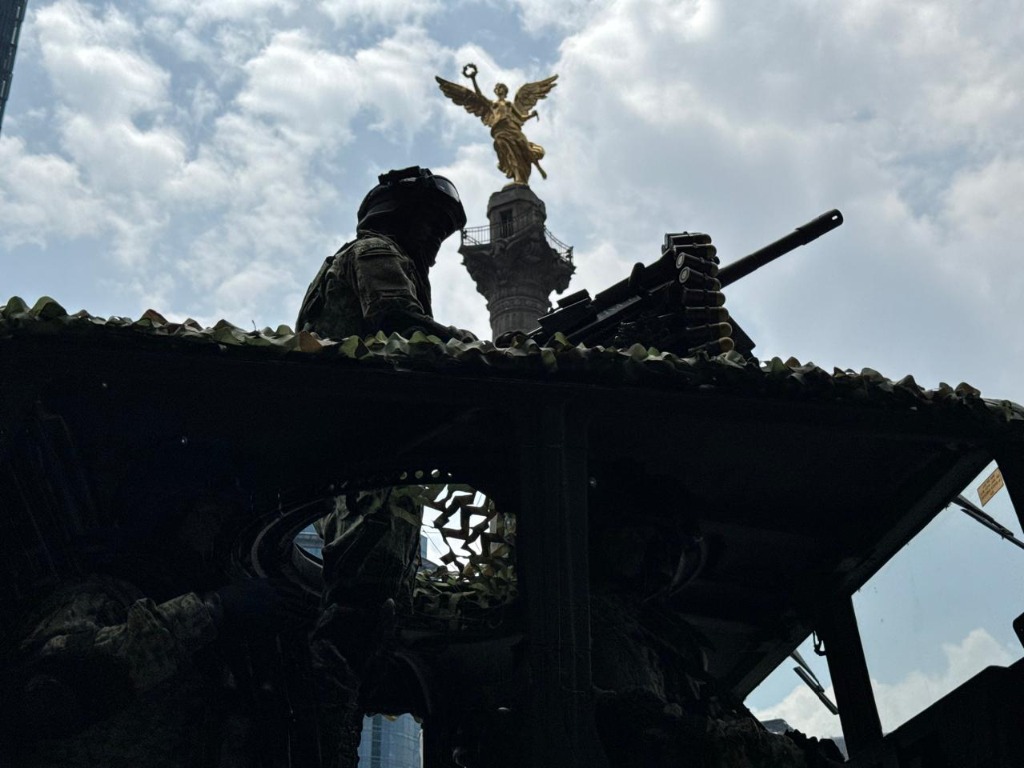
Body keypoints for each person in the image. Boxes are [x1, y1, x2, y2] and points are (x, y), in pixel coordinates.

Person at [297, 166, 476, 768]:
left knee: (370, 618)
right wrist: (477, 350)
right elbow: (397, 323)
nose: (433, 242)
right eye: (429, 225)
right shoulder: (375, 252)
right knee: (360, 608)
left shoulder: (353, 258)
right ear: (397, 216)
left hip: (362, 458)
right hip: (371, 463)